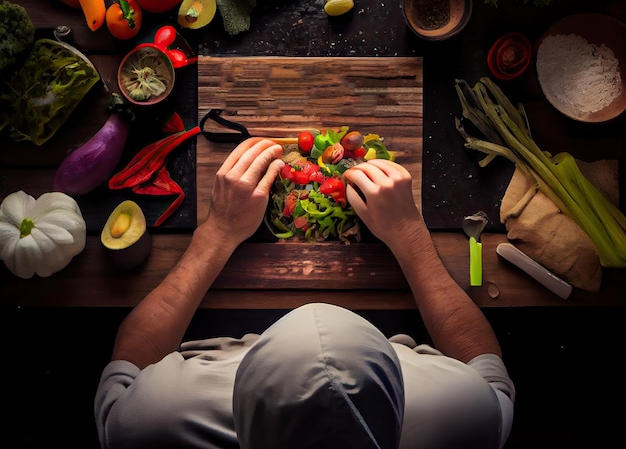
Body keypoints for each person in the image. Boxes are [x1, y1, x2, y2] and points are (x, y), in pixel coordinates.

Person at [94, 137, 515, 449]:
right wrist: (410, 235)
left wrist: (217, 233)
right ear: (392, 369)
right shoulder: (462, 417)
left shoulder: (160, 419)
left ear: (244, 379)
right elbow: (489, 372)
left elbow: (129, 360)